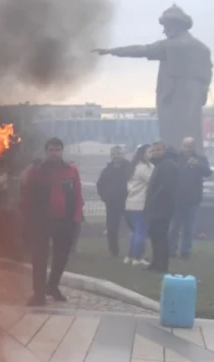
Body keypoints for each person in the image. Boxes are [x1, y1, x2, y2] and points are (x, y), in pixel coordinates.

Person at [94, 5, 211, 151]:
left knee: (172, 138)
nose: (164, 31)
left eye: (166, 26)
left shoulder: (171, 46)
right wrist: (202, 93)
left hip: (172, 98)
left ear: (175, 25)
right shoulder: (202, 48)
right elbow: (207, 75)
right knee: (192, 136)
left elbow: (142, 50)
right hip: (194, 100)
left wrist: (113, 51)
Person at [21, 137, 84, 306]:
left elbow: (78, 195)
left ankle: (53, 286)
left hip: (65, 221)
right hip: (42, 221)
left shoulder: (71, 170)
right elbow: (27, 195)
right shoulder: (37, 171)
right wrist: (28, 219)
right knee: (39, 257)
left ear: (62, 151)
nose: (54, 153)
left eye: (57, 149)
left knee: (61, 257)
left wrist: (76, 218)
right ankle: (38, 294)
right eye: (51, 150)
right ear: (46, 152)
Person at [171, 136, 212, 258]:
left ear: (194, 147)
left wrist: (198, 165)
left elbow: (208, 173)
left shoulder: (200, 159)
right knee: (174, 226)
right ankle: (171, 250)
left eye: (190, 146)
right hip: (177, 199)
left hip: (193, 199)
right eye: (185, 146)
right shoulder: (175, 158)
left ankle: (185, 251)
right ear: (181, 146)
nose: (187, 149)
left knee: (189, 228)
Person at [145, 140, 180, 273]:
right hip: (156, 208)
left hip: (162, 208)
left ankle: (161, 265)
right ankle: (155, 263)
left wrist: (153, 200)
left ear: (165, 151)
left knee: (160, 237)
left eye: (158, 150)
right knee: (155, 236)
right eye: (153, 150)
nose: (155, 153)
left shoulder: (168, 165)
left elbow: (166, 188)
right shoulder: (160, 165)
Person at [96, 146, 131, 257]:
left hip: (129, 202)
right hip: (112, 203)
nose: (116, 156)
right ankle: (113, 251)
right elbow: (100, 184)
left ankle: (134, 251)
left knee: (133, 227)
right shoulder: (107, 170)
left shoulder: (130, 168)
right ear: (111, 156)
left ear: (123, 154)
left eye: (118, 153)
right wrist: (104, 197)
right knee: (112, 228)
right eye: (114, 154)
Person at [124, 144, 154, 265]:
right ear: (143, 154)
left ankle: (130, 256)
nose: (152, 153)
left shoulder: (133, 166)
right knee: (141, 232)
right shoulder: (144, 168)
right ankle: (138, 257)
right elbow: (153, 180)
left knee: (136, 232)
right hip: (140, 203)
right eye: (150, 151)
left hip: (130, 203)